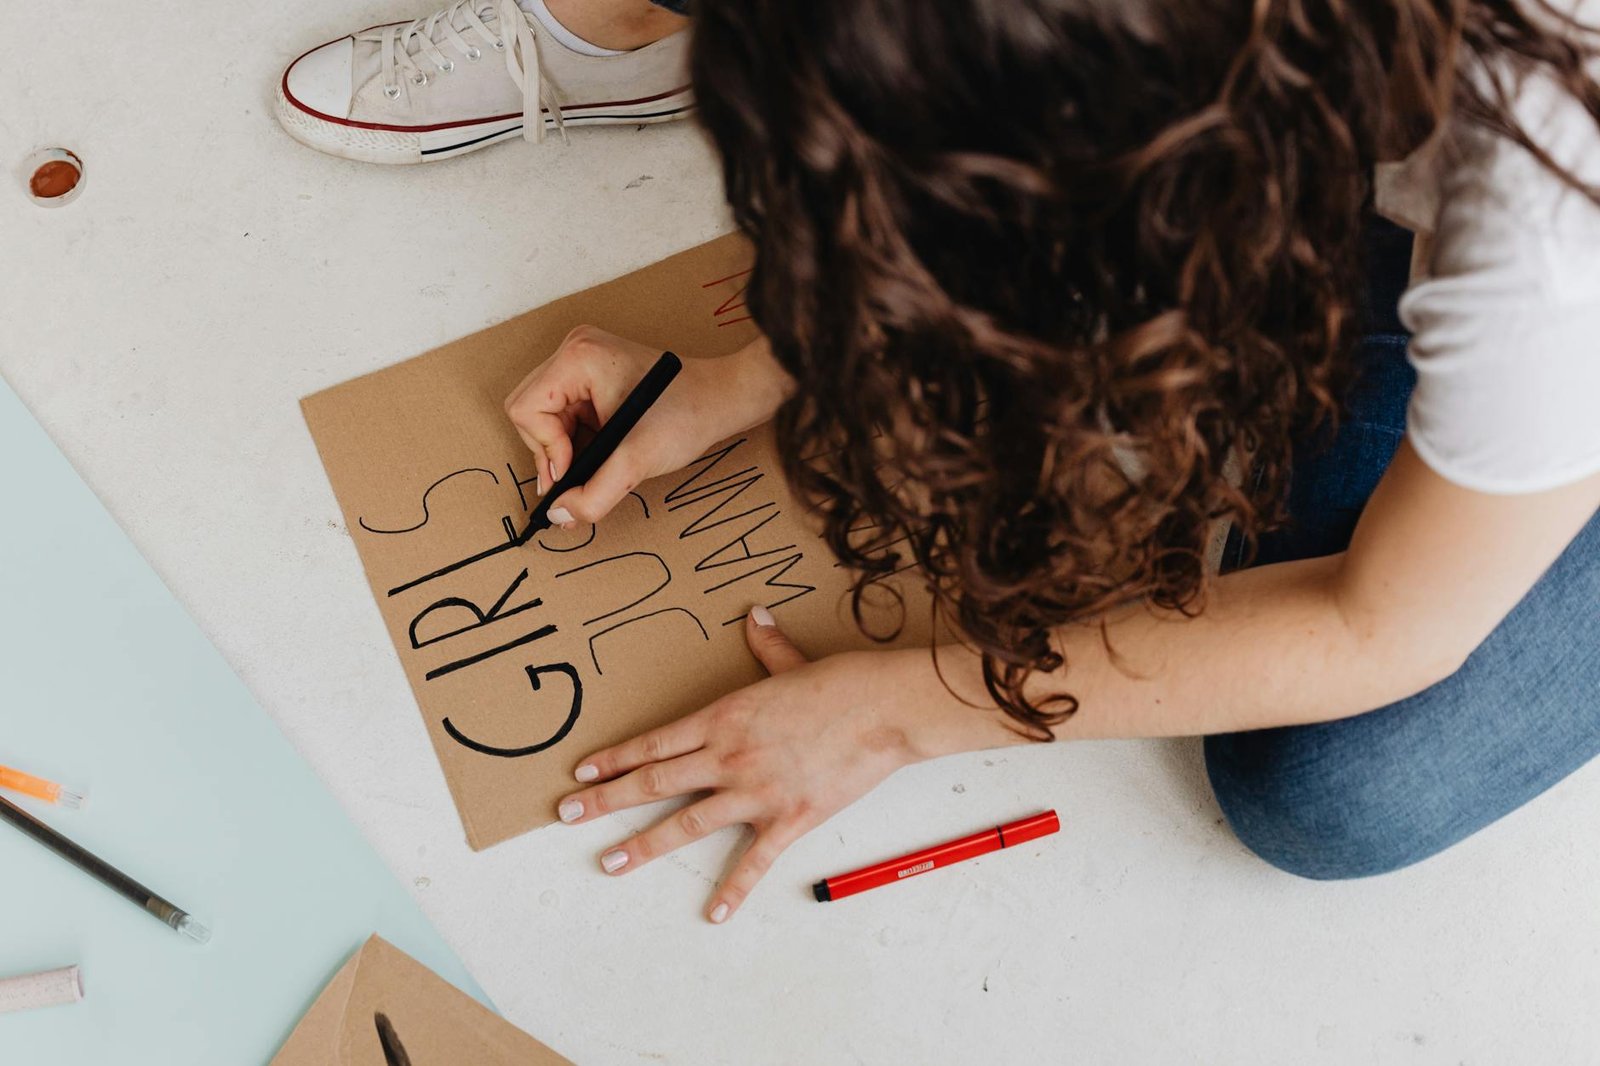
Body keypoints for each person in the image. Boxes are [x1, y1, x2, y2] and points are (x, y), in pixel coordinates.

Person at [281, 1, 1600, 925]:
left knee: (1330, 790)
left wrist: (905, 707)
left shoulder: (1551, 222)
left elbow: (1382, 625)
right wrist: (749, 371)